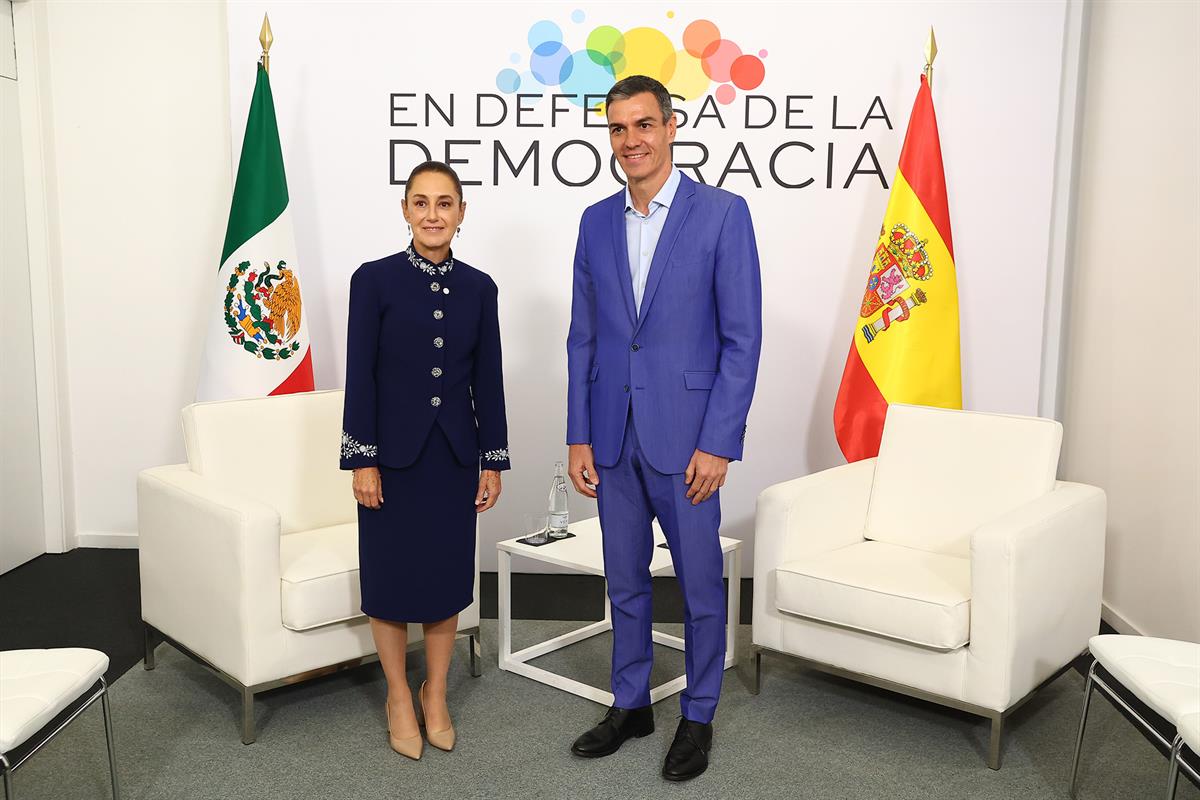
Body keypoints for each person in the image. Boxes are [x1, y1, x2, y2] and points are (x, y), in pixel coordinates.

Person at [565, 75, 762, 781]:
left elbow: (742, 339)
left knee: (701, 588)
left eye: (643, 125)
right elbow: (584, 338)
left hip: (688, 443)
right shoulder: (595, 221)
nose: (631, 141)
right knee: (625, 581)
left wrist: (719, 442)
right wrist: (579, 434)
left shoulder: (723, 214)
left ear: (671, 127)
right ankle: (631, 703)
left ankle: (698, 715)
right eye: (618, 129)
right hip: (613, 437)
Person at [340, 161, 510, 760]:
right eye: (421, 202)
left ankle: (434, 694)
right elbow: (360, 375)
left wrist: (492, 460)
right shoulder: (373, 280)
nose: (432, 215)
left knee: (444, 581)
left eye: (444, 203)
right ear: (405, 210)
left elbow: (488, 380)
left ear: (461, 213)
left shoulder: (480, 288)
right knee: (389, 582)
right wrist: (362, 459)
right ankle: (396, 694)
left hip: (453, 459)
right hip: (389, 459)